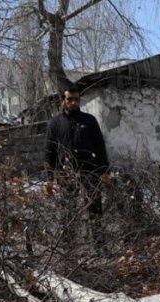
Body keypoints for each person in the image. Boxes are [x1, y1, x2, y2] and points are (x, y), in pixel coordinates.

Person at [45, 86, 110, 249]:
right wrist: (49, 178)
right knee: (68, 209)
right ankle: (68, 247)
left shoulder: (89, 121)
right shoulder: (55, 123)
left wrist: (104, 172)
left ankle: (100, 246)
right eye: (69, 99)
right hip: (65, 173)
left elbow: (100, 147)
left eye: (76, 99)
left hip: (89, 170)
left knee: (95, 207)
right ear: (62, 101)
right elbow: (49, 151)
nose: (73, 103)